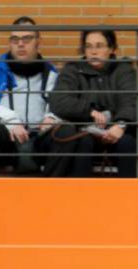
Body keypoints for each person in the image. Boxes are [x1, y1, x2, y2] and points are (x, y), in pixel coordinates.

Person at [0, 16, 59, 177]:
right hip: (6, 143)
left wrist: (52, 117)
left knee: (65, 133)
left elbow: (64, 105)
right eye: (15, 39)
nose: (20, 44)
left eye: (27, 38)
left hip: (40, 142)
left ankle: (57, 191)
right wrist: (10, 120)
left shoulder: (53, 76)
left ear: (38, 41)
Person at [47, 29, 137, 177]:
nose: (93, 52)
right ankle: (80, 190)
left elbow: (131, 100)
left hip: (118, 130)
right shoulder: (73, 69)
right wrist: (89, 111)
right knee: (83, 142)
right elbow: (59, 100)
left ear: (111, 49)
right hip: (83, 131)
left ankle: (129, 191)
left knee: (127, 143)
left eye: (99, 46)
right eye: (88, 46)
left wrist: (121, 125)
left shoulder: (124, 70)